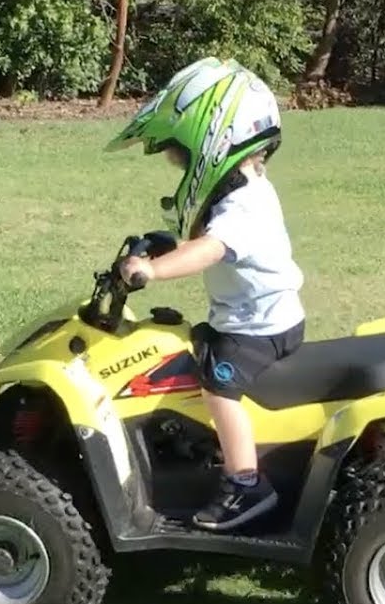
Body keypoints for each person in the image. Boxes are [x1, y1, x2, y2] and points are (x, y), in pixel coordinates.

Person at [104, 57, 306, 532]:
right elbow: (204, 242)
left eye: (180, 153)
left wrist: (151, 269)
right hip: (258, 315)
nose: (176, 162)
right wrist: (166, 246)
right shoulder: (243, 190)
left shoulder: (243, 205)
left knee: (218, 385)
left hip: (259, 328)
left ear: (216, 143)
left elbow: (211, 250)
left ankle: (245, 482)